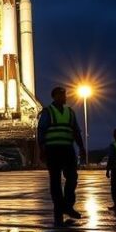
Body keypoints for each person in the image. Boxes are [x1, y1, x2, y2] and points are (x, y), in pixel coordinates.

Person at [37, 86, 86, 221]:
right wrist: (42, 148)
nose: (64, 97)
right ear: (54, 97)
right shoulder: (47, 112)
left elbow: (76, 131)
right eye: (61, 95)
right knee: (55, 181)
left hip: (68, 150)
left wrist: (81, 147)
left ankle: (68, 206)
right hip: (53, 150)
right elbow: (41, 130)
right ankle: (59, 207)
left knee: (72, 178)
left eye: (65, 95)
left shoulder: (70, 112)